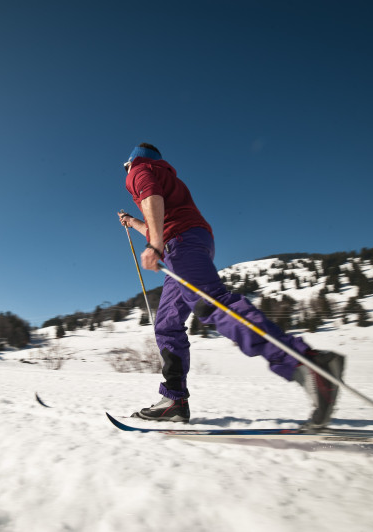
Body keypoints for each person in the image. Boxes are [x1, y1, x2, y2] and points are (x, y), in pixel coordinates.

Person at [118, 142, 345, 431]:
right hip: (188, 240)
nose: (127, 172)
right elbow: (155, 218)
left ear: (132, 161)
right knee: (166, 324)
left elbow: (151, 198)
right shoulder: (165, 176)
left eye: (126, 167)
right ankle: (174, 400)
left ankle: (306, 365)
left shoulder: (139, 170)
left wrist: (154, 244)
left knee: (211, 304)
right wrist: (133, 222)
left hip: (180, 242)